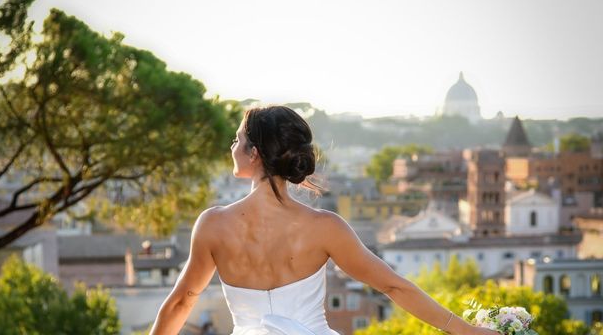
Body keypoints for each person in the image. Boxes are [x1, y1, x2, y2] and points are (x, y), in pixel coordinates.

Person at [150, 106, 497, 335]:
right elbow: (393, 286)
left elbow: (181, 302)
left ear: (254, 153)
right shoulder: (325, 228)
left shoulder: (212, 225)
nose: (231, 146)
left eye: (237, 139)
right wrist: (467, 330)